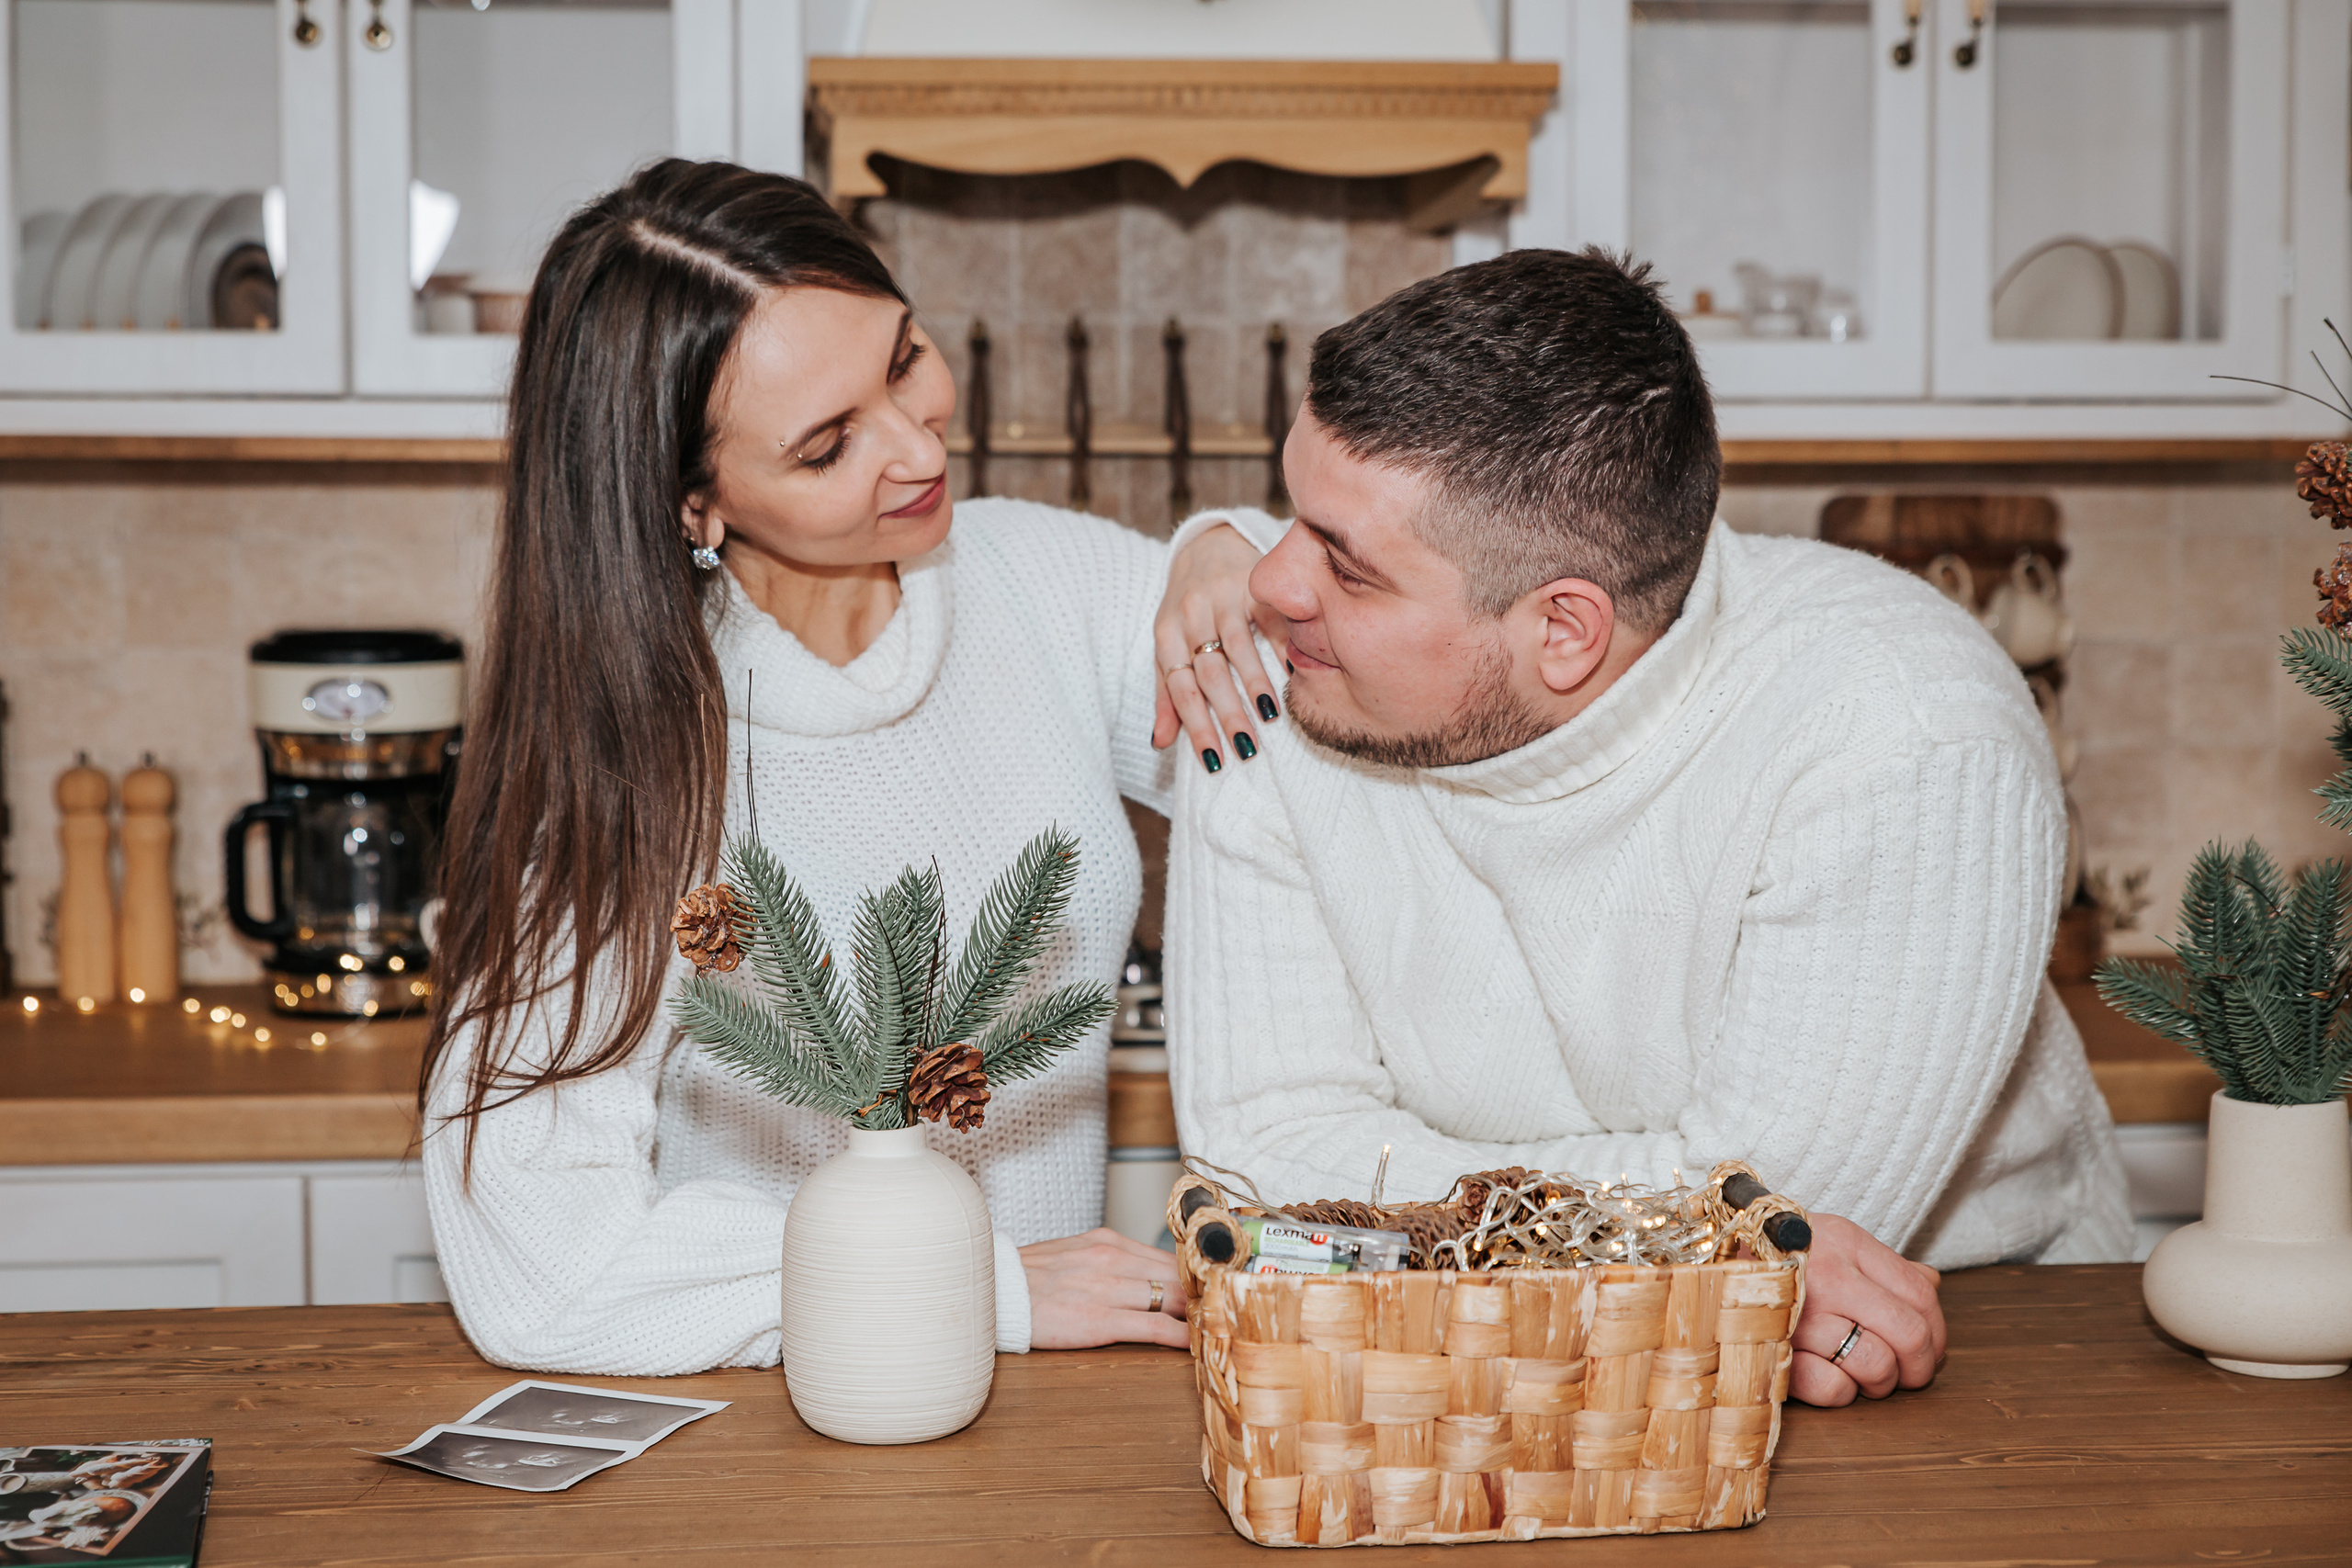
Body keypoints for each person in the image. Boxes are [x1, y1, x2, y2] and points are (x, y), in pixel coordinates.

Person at [1164, 247, 2132, 1407]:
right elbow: (1256, 1159)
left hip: (1959, 1350)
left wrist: (1415, 1203)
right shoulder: (1273, 686)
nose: (1268, 583)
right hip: (1427, 1363)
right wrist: (1684, 1223)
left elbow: (1789, 1237)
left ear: (1563, 630)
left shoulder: (1909, 736)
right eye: (1287, 511)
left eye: (1347, 565)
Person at [419, 160, 1286, 1374]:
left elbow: (1357, 726)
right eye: (828, 444)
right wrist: (968, 1283)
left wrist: (1235, 550)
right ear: (693, 502)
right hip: (784, 1423)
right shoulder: (642, 762)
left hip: (1061, 1416)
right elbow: (543, 1269)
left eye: (902, 358)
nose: (915, 441)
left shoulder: (1037, 584)